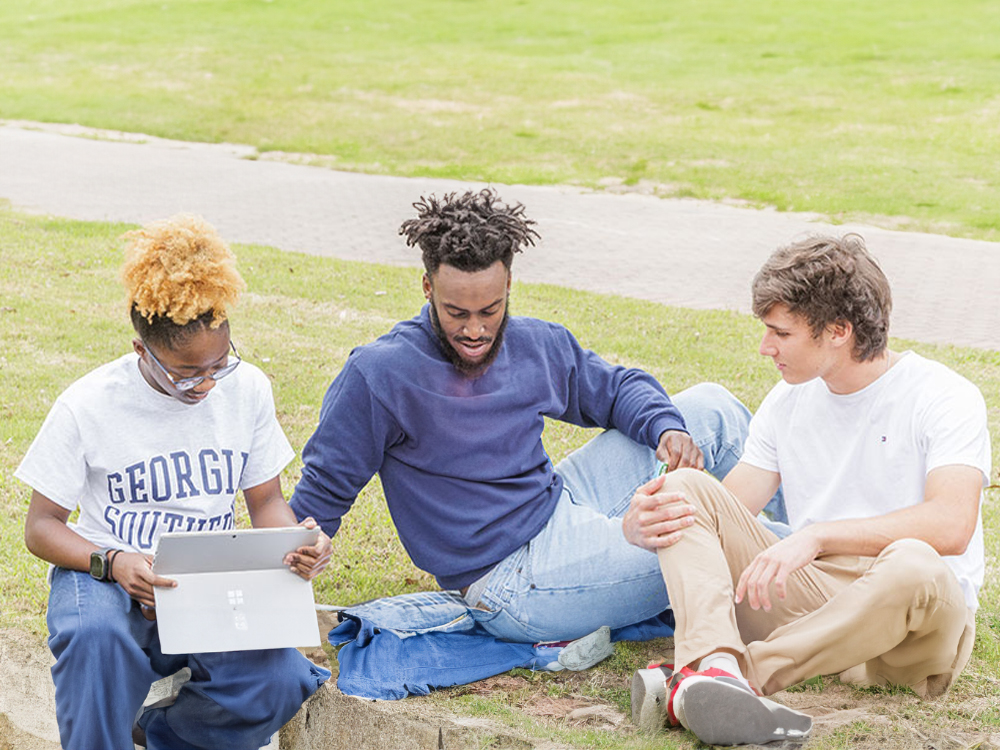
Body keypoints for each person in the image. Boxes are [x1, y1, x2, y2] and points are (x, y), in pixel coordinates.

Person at [290, 188, 771, 645]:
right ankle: (821, 568)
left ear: (509, 286)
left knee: (712, 407)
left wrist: (667, 429)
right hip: (510, 582)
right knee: (704, 535)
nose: (475, 330)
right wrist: (301, 549)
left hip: (559, 502)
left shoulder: (535, 344)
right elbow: (324, 488)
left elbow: (619, 388)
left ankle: (808, 542)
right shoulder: (381, 374)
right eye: (456, 312)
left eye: (490, 309)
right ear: (427, 286)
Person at [626, 234, 989, 746]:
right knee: (683, 489)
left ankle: (733, 677)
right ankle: (716, 668)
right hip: (815, 605)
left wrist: (818, 536)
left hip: (912, 626)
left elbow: (951, 526)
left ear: (838, 331)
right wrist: (645, 519)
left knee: (914, 560)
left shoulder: (944, 396)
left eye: (781, 333)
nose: (765, 347)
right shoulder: (787, 401)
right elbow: (723, 510)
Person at [16, 215, 332, 750]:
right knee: (96, 641)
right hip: (106, 580)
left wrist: (299, 544)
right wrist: (113, 563)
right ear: (143, 351)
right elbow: (41, 527)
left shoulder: (248, 390)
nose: (207, 385)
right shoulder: (88, 405)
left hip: (205, 579)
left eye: (218, 365)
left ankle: (160, 732)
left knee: (280, 681)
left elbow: (268, 501)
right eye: (186, 374)